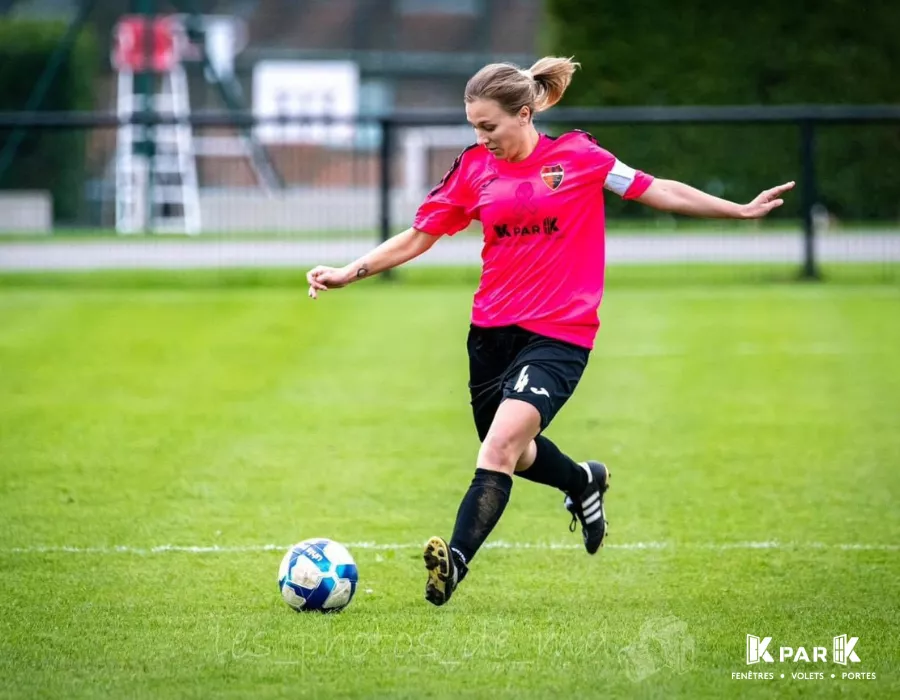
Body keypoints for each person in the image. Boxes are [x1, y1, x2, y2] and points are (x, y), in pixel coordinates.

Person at [306, 56, 794, 607]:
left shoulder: (580, 157)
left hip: (560, 333)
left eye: (489, 126)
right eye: (474, 127)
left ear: (524, 113)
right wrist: (350, 271)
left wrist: (737, 211)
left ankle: (455, 563)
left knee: (499, 447)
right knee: (514, 451)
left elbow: (656, 189)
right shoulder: (474, 168)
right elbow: (420, 235)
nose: (481, 137)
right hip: (490, 333)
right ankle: (583, 482)